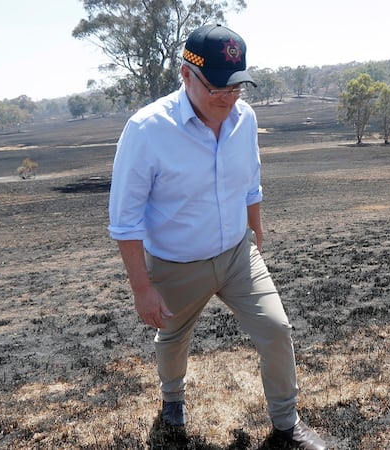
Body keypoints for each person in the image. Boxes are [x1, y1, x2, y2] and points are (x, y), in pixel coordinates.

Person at [108, 23, 328, 450]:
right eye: (217, 89)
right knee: (172, 339)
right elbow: (125, 219)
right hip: (176, 264)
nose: (227, 100)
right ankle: (172, 400)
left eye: (236, 88)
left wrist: (256, 231)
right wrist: (142, 288)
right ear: (185, 74)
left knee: (277, 329)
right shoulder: (146, 130)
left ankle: (287, 423)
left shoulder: (244, 118)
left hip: (236, 256)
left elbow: (250, 182)